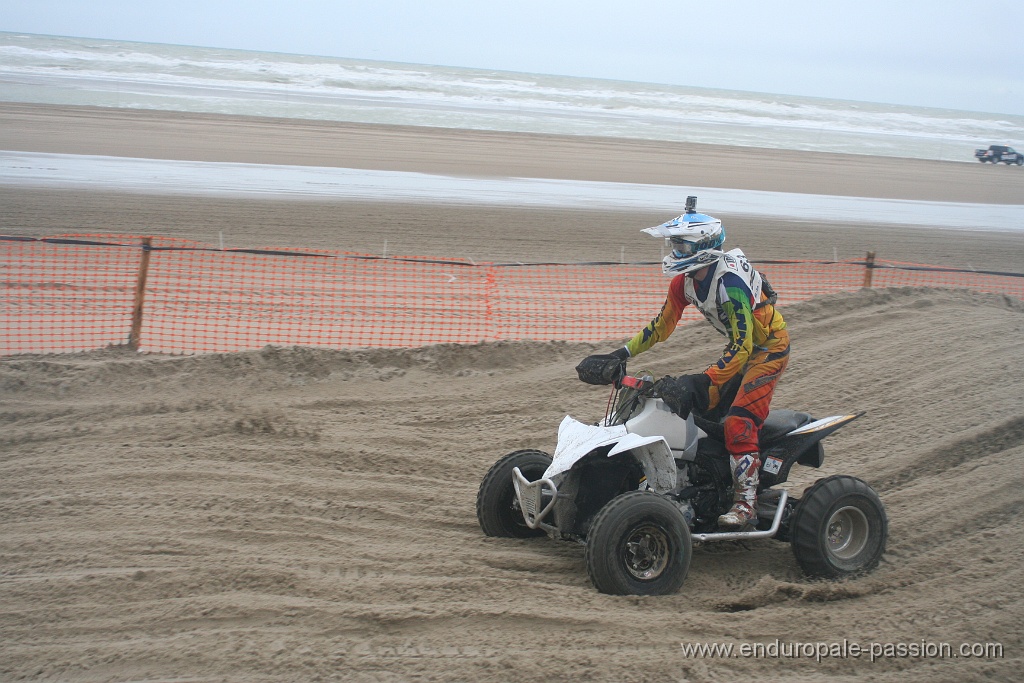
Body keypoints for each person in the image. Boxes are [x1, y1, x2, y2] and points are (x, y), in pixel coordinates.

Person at [575, 197, 789, 529]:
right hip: (742, 349)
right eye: (673, 242)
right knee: (696, 415)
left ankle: (746, 502)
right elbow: (661, 326)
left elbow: (744, 346)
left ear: (701, 245)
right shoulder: (684, 281)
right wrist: (622, 354)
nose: (674, 248)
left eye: (680, 243)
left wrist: (703, 381)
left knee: (737, 422)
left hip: (768, 351)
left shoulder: (729, 285)